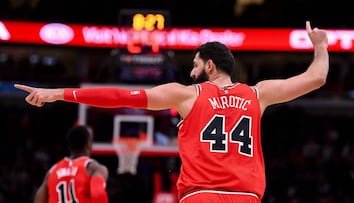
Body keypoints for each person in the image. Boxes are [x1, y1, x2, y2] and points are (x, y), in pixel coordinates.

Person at [16, 21, 328, 203]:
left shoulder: (186, 94)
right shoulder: (259, 94)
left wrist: (57, 93)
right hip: (247, 197)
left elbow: (119, 96)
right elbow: (316, 78)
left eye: (195, 65)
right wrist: (320, 46)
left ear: (208, 65)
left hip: (201, 196)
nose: (191, 72)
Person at [33, 125, 109, 203]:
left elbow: (38, 201)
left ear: (69, 146)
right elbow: (98, 194)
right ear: (88, 144)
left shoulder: (52, 171)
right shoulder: (93, 168)